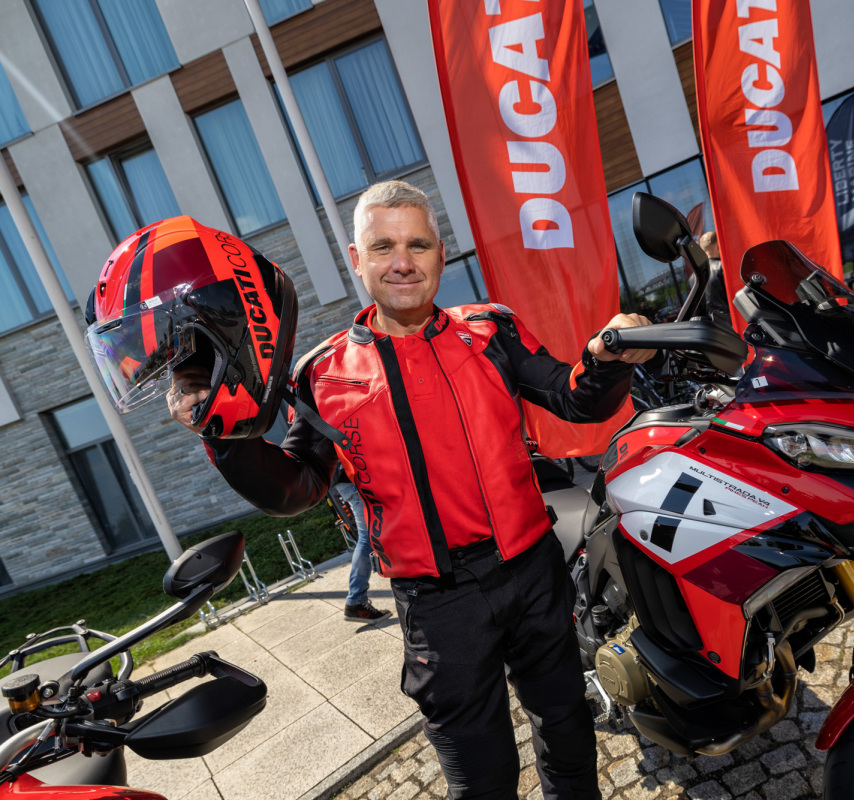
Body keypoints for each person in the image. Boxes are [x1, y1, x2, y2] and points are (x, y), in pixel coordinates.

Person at [167, 180, 654, 800]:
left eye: (418, 245)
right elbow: (296, 487)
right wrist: (223, 434)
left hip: (533, 573)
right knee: (481, 781)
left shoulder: (491, 329)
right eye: (384, 247)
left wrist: (607, 355)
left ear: (440, 255)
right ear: (356, 259)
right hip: (438, 606)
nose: (403, 262)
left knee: (567, 732)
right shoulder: (322, 374)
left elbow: (574, 398)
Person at [328, 473, 389, 622]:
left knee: (369, 535)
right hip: (352, 478)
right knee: (368, 537)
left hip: (346, 480)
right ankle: (355, 600)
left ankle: (356, 600)